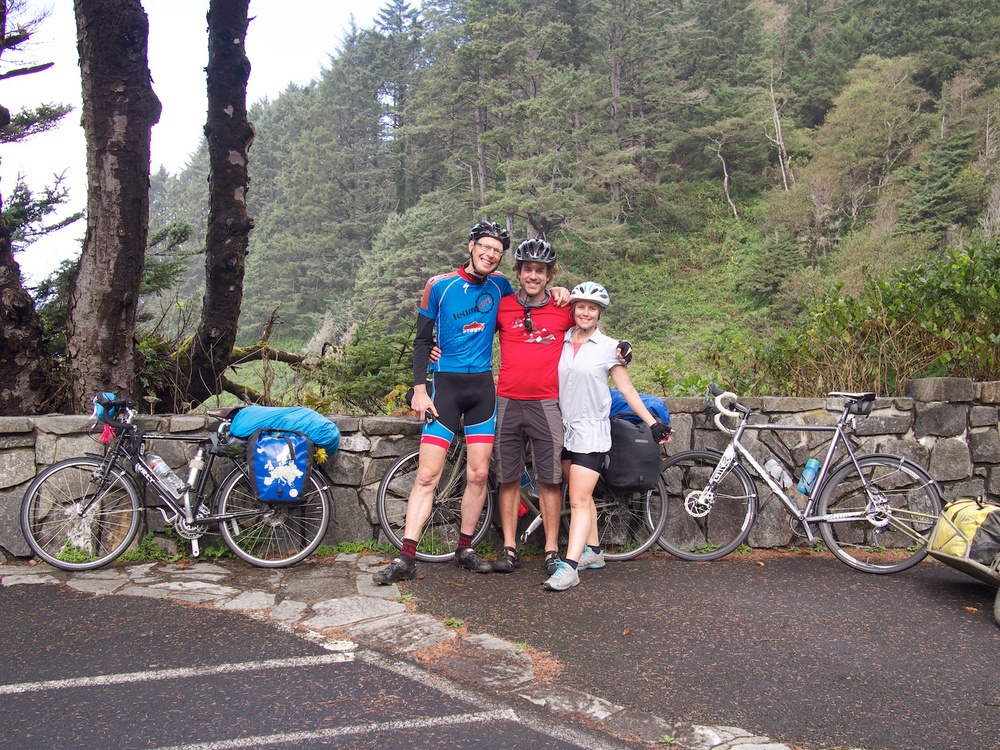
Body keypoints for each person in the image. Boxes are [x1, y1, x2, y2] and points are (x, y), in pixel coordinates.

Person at [372, 221, 516, 585]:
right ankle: (406, 558)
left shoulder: (501, 285)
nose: (490, 254)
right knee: (427, 475)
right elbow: (422, 341)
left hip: (483, 388)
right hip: (444, 388)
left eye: (497, 251)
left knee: (479, 473)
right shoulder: (439, 285)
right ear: (470, 246)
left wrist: (560, 291)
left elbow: (528, 308)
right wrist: (419, 389)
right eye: (484, 246)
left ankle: (464, 548)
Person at [544, 281, 670, 592]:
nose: (585, 312)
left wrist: (654, 424)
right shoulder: (560, 340)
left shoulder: (608, 348)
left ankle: (570, 567)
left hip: (591, 431)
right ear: (573, 308)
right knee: (578, 494)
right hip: (563, 427)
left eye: (592, 308)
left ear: (600, 313)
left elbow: (627, 390)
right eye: (581, 306)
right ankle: (595, 552)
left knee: (579, 498)